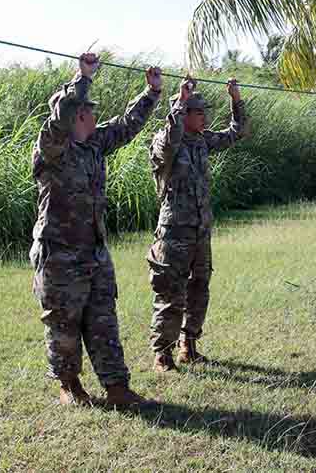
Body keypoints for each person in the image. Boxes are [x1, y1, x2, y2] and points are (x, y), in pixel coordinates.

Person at [30, 53, 160, 407]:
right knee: (64, 325)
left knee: (103, 319)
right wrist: (82, 77)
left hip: (94, 250)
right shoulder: (51, 148)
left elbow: (127, 125)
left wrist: (151, 93)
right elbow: (58, 122)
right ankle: (69, 387)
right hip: (59, 253)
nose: (93, 115)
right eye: (86, 111)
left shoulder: (94, 144)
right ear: (73, 115)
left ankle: (117, 388)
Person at [148, 77, 249, 373]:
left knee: (199, 289)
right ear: (184, 114)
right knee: (170, 293)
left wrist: (235, 97)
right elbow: (167, 142)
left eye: (203, 111)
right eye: (198, 111)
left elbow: (237, 131)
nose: (204, 116)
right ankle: (162, 354)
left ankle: (188, 345)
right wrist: (180, 101)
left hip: (200, 231)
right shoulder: (166, 141)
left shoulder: (202, 140)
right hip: (174, 233)